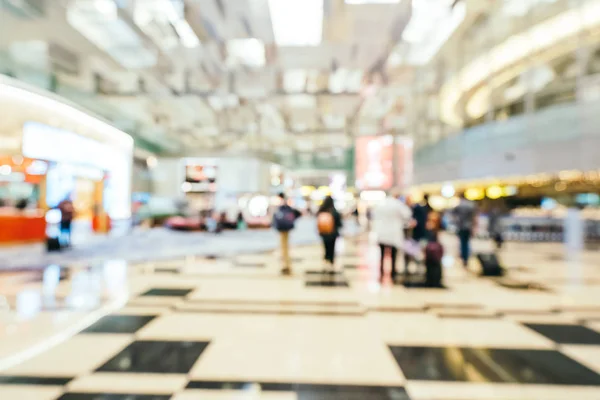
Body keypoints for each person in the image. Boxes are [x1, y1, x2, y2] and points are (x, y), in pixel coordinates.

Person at [372, 190, 413, 281]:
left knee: (382, 255)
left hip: (381, 233)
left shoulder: (380, 204)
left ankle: (381, 273)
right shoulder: (398, 204)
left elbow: (374, 216)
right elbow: (407, 215)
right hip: (394, 234)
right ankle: (393, 274)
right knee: (393, 256)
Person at [272, 193, 301, 275]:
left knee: (284, 247)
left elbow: (275, 217)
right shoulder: (288, 205)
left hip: (282, 228)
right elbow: (297, 213)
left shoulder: (280, 205)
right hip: (286, 228)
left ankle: (285, 265)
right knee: (285, 247)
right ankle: (286, 265)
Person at [317, 196, 343, 269]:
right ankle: (331, 262)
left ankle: (326, 260)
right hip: (333, 233)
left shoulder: (322, 210)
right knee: (332, 248)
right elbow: (339, 223)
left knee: (326, 247)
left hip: (324, 233)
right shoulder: (334, 211)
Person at [452, 192, 477, 267]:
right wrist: (474, 227)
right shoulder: (471, 205)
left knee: (462, 242)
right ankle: (466, 256)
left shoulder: (458, 206)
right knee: (467, 242)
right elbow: (474, 217)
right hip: (468, 227)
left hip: (460, 227)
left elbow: (454, 216)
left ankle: (464, 256)